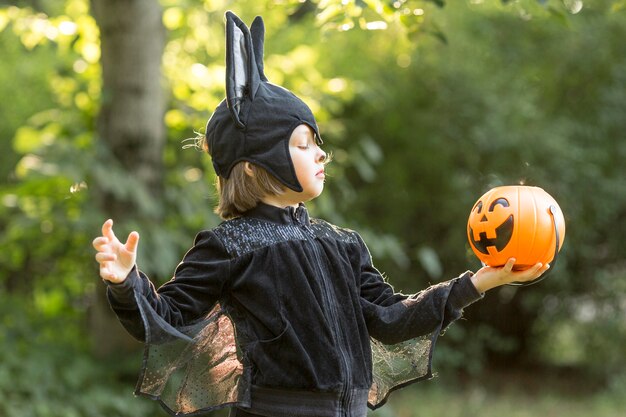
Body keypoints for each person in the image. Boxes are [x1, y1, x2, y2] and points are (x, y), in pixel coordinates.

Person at [92, 12, 549, 417]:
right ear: (256, 163)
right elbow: (168, 318)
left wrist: (478, 282)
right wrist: (127, 281)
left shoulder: (342, 244)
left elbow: (391, 320)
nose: (320, 155)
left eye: (318, 143)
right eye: (303, 143)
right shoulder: (228, 246)